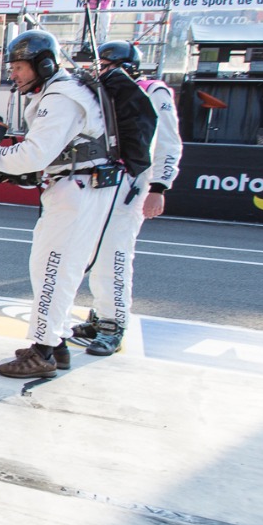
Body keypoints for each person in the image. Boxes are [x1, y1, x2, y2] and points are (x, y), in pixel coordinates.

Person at [0, 30, 134, 379]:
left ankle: (43, 353)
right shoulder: (62, 92)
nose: (14, 74)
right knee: (55, 267)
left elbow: (35, 154)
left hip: (78, 191)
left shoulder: (61, 96)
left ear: (45, 63)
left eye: (20, 67)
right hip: (79, 188)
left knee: (53, 267)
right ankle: (57, 343)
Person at [71, 42, 177, 356]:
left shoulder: (153, 91)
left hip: (131, 185)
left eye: (108, 64)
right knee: (90, 253)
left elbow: (169, 143)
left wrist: (159, 187)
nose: (102, 69)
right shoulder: (101, 92)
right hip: (99, 184)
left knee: (113, 255)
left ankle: (113, 323)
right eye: (100, 64)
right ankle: (100, 314)